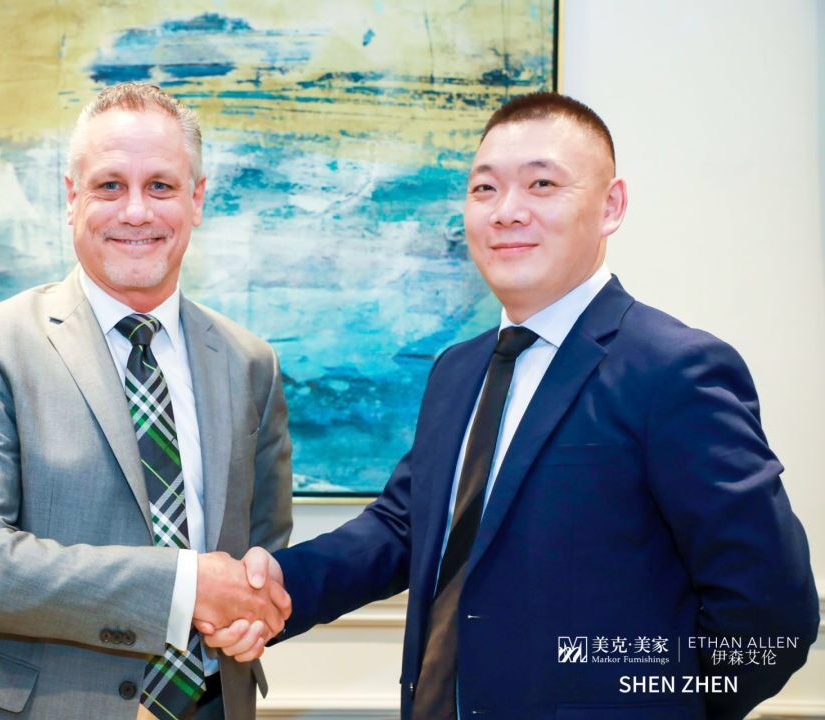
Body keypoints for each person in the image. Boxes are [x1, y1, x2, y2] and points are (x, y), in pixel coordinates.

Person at [204, 92, 819, 719]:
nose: (506, 212)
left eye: (542, 184)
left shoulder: (674, 369)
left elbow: (772, 616)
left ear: (611, 206)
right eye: (485, 189)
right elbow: (404, 528)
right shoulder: (457, 369)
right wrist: (274, 587)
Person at [0, 82, 293, 720]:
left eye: (161, 186)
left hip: (210, 705)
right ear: (72, 198)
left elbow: (261, 553)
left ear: (197, 199)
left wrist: (253, 608)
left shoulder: (250, 362)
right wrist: (183, 587)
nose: (136, 212)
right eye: (110, 186)